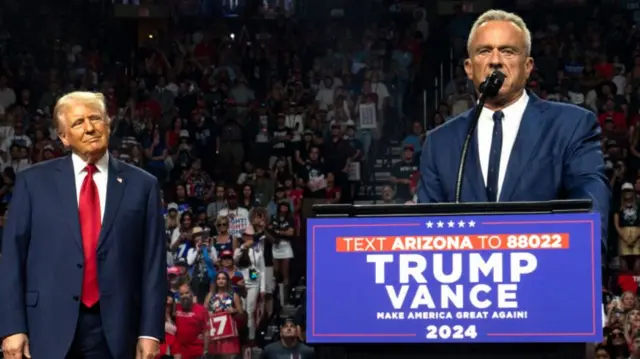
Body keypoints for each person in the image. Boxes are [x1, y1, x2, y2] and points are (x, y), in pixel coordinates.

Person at [0, 91, 167, 359]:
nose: (89, 127)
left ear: (108, 125)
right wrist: (11, 327)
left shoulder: (143, 186)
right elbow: (11, 259)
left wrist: (150, 332)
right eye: (78, 122)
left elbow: (153, 265)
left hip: (117, 329)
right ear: (64, 137)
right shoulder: (33, 183)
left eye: (95, 118)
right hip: (44, 325)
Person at [417, 9, 609, 228]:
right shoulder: (439, 142)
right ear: (469, 69)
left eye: (507, 51)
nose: (495, 61)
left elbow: (591, 211)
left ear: (528, 67)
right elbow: (428, 230)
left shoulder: (571, 126)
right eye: (484, 51)